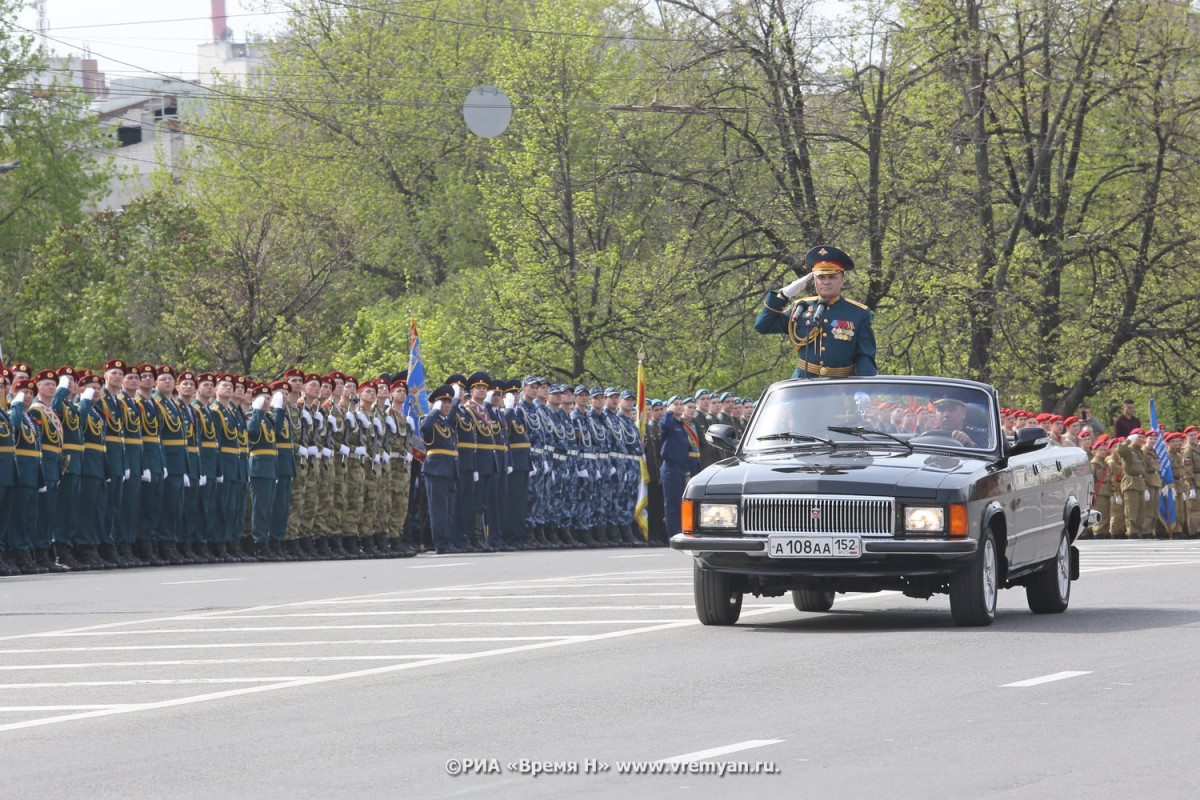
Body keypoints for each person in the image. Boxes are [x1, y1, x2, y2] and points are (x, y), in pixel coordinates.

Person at [754, 244, 877, 379]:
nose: (826, 282)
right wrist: (782, 296)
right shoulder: (800, 308)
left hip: (842, 385)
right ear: (814, 280)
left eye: (832, 277)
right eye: (821, 277)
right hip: (804, 384)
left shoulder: (858, 312)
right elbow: (762, 326)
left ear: (842, 279)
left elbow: (865, 355)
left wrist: (864, 386)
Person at [660, 395, 700, 537]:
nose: (678, 406)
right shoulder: (669, 422)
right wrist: (669, 412)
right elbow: (663, 425)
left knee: (682, 502)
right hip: (671, 467)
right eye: (675, 404)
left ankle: (681, 530)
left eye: (680, 404)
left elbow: (685, 450)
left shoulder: (681, 425)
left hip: (682, 467)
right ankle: (673, 534)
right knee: (672, 504)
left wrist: (687, 473)